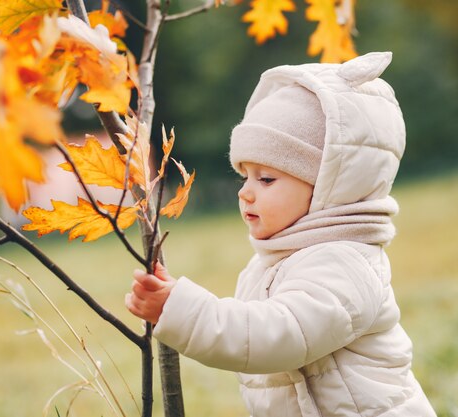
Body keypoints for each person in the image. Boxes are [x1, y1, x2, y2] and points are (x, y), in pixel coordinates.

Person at [125, 51, 437, 417]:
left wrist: (180, 309)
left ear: (327, 186)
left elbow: (275, 336)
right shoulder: (269, 266)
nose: (245, 192)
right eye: (245, 175)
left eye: (267, 179)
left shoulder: (346, 263)